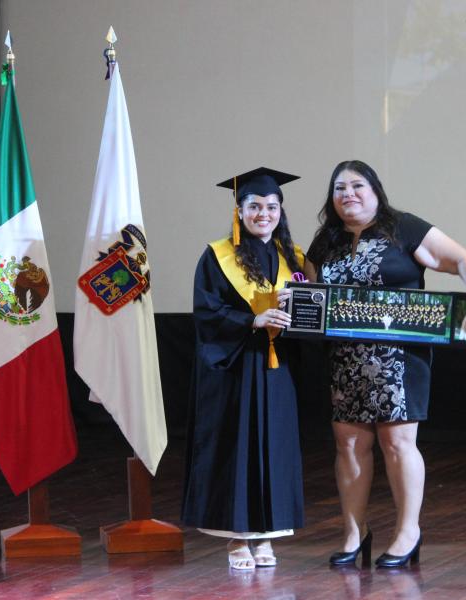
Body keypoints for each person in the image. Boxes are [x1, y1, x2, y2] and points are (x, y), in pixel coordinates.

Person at [303, 160, 466, 568]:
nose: (348, 194)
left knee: (397, 443)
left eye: (358, 186)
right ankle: (355, 533)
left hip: (398, 359)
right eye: (339, 188)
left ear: (376, 191)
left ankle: (408, 531)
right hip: (345, 360)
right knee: (350, 445)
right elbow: (309, 292)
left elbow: (461, 259)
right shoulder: (326, 242)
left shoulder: (403, 228)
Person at [182, 167, 306, 570]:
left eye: (271, 206)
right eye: (254, 206)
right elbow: (206, 312)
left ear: (280, 210)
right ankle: (238, 538)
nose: (263, 214)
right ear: (240, 211)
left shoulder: (295, 258)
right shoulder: (218, 255)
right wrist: (252, 321)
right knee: (237, 450)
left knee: (274, 447)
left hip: (276, 370)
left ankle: (267, 536)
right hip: (236, 368)